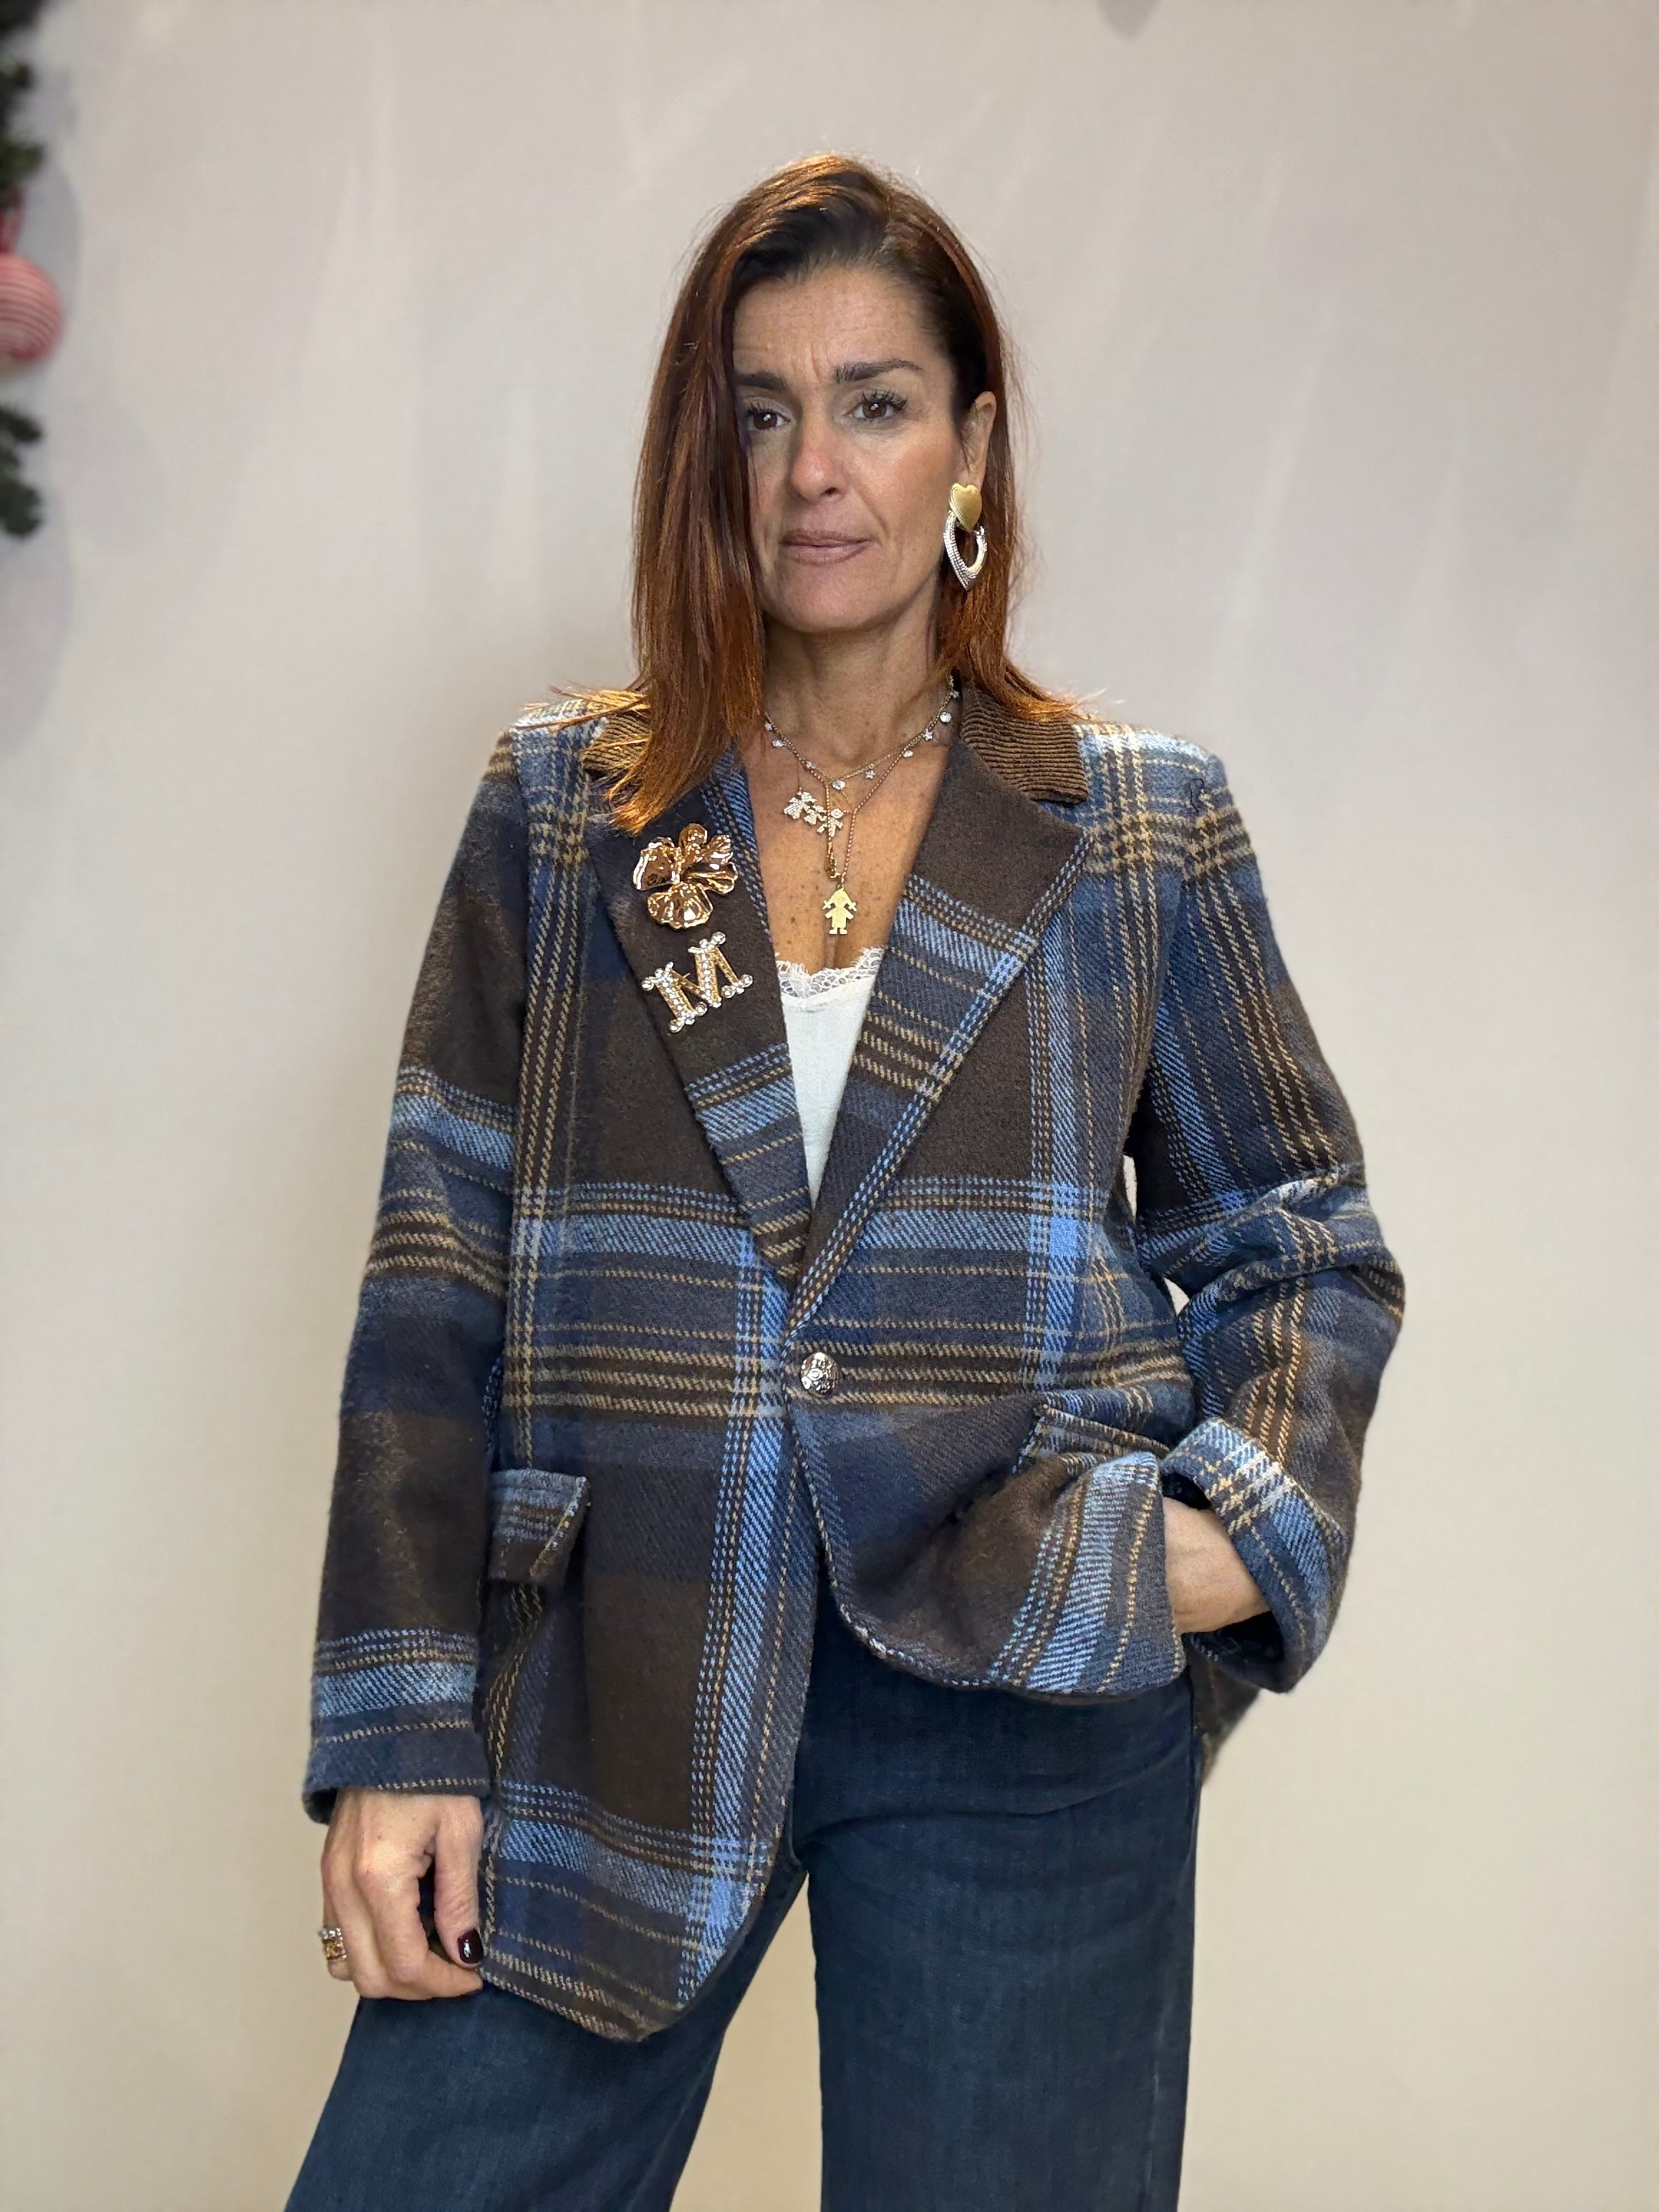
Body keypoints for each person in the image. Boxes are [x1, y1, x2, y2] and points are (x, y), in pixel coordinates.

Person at [287, 154, 1405, 2212]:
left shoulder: (1135, 825)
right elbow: (432, 1281)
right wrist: (395, 1727)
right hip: (614, 1664)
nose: (815, 469)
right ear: (700, 454)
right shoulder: (567, 805)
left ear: (968, 445)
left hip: (1021, 1691)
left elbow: (1299, 1241)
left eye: (875, 403)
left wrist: (1232, 1537)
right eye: (761, 411)